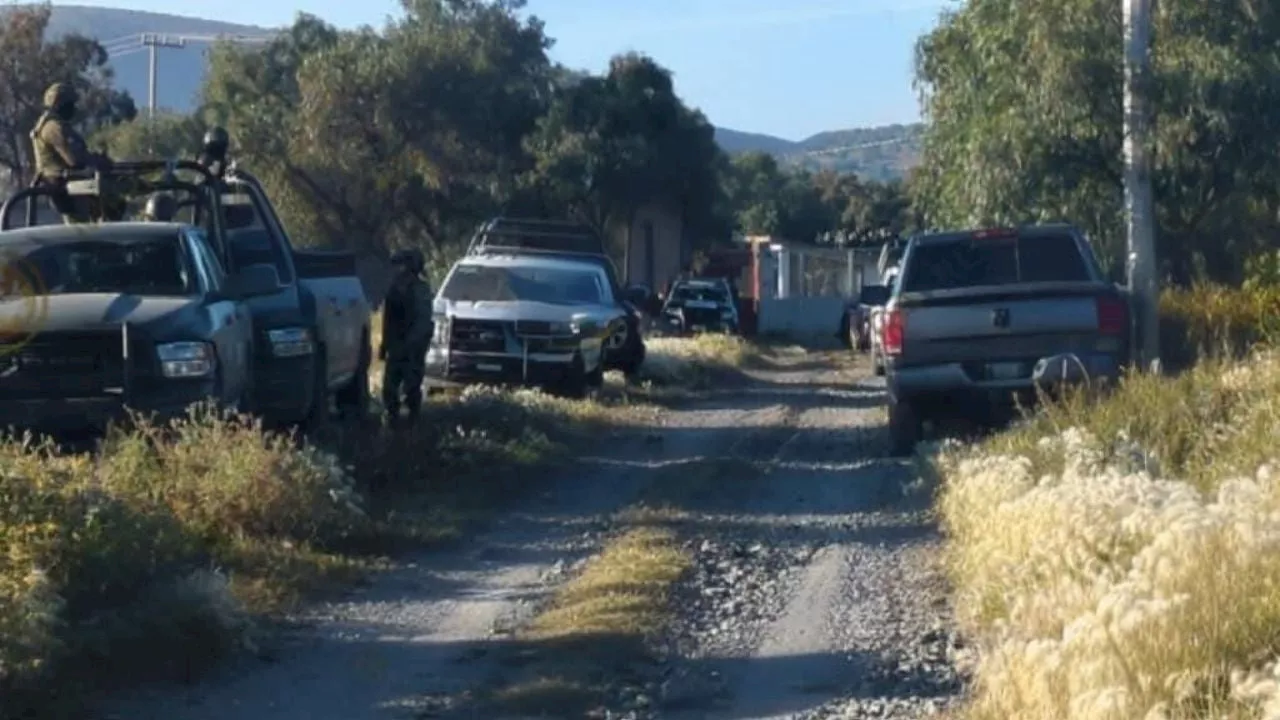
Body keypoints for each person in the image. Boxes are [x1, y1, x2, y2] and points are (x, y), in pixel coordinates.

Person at [30, 82, 103, 224]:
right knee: (81, 230)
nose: (74, 108)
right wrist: (98, 161)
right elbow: (75, 160)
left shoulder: (54, 125)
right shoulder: (53, 127)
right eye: (70, 103)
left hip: (69, 187)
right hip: (66, 189)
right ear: (59, 104)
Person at [379, 248, 434, 427]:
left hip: (412, 347)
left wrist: (412, 344)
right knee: (389, 387)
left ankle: (413, 420)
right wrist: (385, 344)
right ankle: (392, 417)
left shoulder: (420, 290)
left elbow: (423, 321)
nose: (398, 270)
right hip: (396, 346)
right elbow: (388, 319)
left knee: (411, 387)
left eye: (402, 266)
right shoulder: (394, 289)